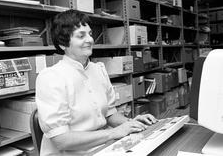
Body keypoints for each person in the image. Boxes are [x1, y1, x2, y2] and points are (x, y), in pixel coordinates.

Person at [35, 9, 157, 156]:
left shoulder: (98, 70)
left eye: (90, 34)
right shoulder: (51, 77)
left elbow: (109, 115)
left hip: (103, 147)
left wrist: (130, 123)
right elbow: (62, 140)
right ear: (63, 44)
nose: (90, 40)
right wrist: (114, 133)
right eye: (81, 36)